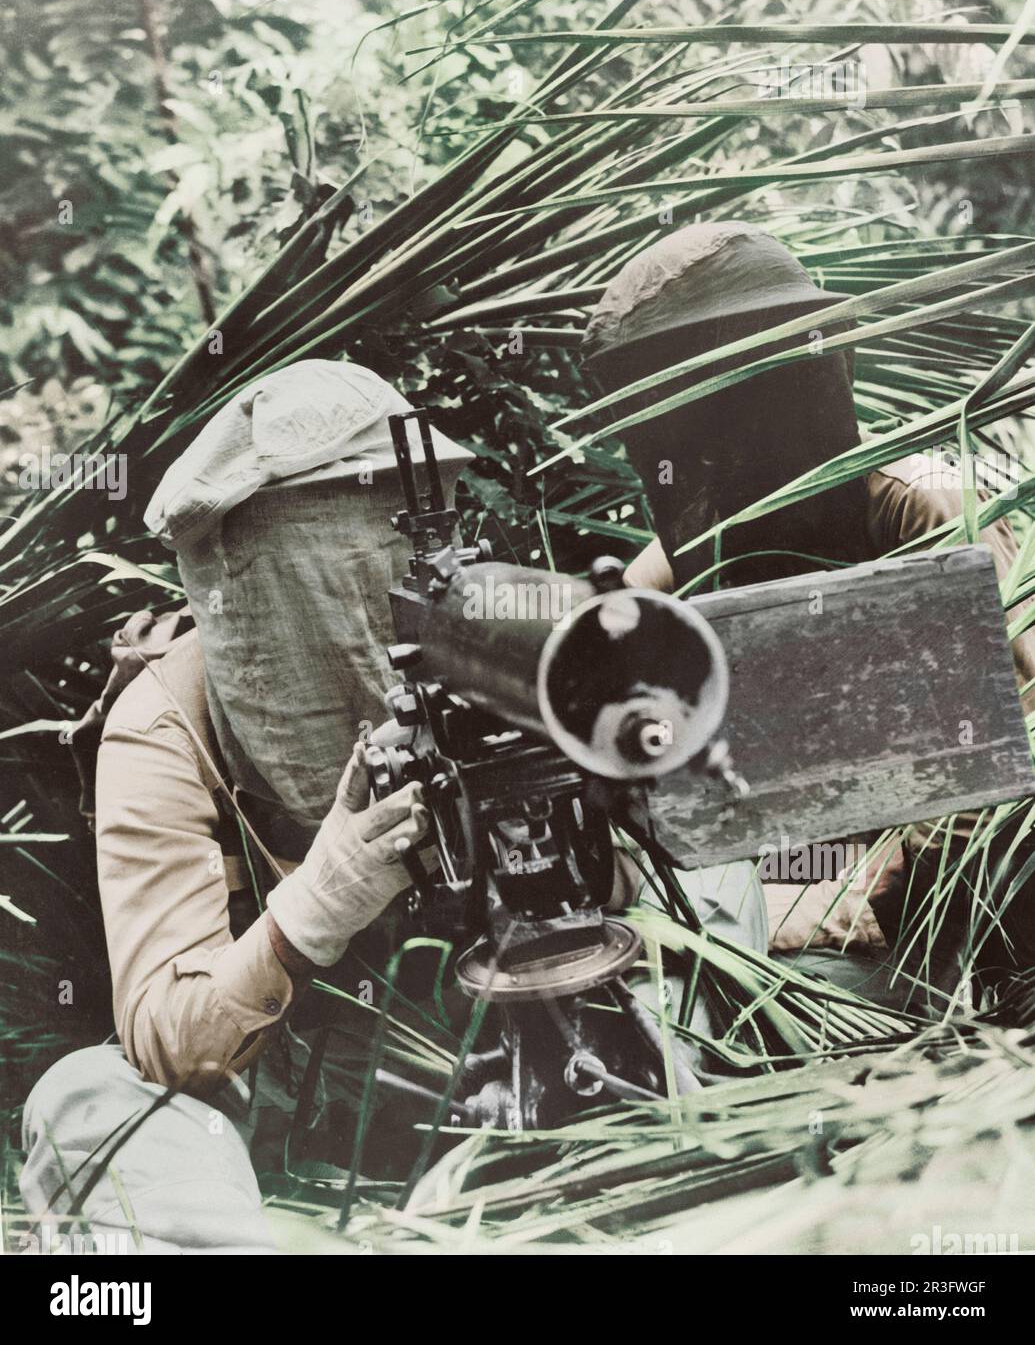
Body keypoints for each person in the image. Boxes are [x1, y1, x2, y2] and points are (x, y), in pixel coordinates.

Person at [20, 359, 472, 1252]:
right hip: (278, 1109)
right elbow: (165, 1038)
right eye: (328, 558)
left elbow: (636, 884)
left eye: (390, 546)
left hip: (507, 1045)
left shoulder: (496, 649)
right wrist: (321, 900)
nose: (368, 595)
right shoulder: (167, 723)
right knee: (87, 1100)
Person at [582, 221, 1035, 1008]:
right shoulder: (698, 537)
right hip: (801, 850)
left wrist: (875, 880)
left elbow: (1016, 731)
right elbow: (601, 651)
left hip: (959, 873)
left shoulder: (924, 505)